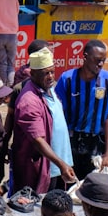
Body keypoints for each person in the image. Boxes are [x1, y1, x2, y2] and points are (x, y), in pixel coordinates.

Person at [12, 47, 76, 192]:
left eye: (52, 72)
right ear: (33, 74)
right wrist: (61, 164)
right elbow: (38, 140)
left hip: (59, 165)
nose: (50, 77)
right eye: (45, 73)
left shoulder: (49, 88)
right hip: (45, 169)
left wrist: (63, 163)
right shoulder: (29, 101)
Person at [54, 39, 108, 180]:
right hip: (72, 142)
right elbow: (58, 116)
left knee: (93, 186)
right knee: (69, 183)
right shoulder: (67, 79)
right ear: (85, 57)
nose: (101, 64)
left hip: (96, 144)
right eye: (97, 60)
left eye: (103, 60)